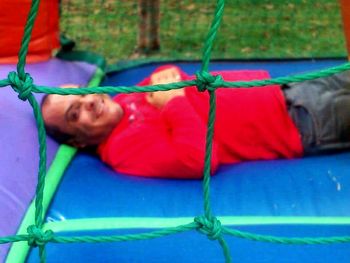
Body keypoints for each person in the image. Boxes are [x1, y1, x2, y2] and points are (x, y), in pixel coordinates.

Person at [41, 65, 350, 179]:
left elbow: (168, 77)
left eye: (81, 94)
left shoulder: (124, 99)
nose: (89, 101)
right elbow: (198, 159)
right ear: (77, 141)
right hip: (302, 124)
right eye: (74, 113)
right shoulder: (123, 150)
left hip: (288, 89)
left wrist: (168, 78)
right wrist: (174, 101)